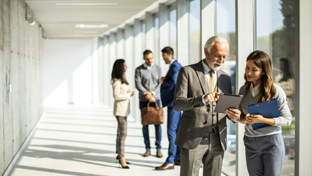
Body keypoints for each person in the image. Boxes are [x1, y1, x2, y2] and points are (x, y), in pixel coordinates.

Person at [173, 36, 235, 176]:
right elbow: (177, 104)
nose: (221, 60)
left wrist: (234, 115)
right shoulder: (187, 72)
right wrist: (202, 99)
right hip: (192, 137)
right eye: (217, 55)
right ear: (206, 52)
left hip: (218, 139)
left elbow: (228, 107)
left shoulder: (225, 77)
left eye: (224, 56)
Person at [226, 50, 292, 176]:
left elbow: (287, 119)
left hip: (271, 142)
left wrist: (263, 120)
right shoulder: (243, 90)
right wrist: (239, 117)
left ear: (263, 71)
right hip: (250, 142)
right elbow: (242, 119)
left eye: (254, 69)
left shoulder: (275, 90)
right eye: (247, 68)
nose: (249, 72)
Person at [155, 46, 182, 170]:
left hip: (173, 104)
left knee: (171, 131)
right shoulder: (176, 65)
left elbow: (174, 82)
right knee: (176, 131)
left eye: (163, 56)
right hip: (176, 103)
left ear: (166, 54)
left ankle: (171, 160)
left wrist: (163, 80)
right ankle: (177, 157)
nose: (163, 59)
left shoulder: (175, 66)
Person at [135, 49, 163, 158]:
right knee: (145, 124)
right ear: (144, 59)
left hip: (156, 99)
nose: (149, 60)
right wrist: (147, 94)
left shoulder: (158, 69)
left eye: (151, 58)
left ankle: (158, 149)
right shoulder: (139, 70)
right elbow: (138, 84)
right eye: (147, 59)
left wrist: (153, 94)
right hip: (144, 100)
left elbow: (160, 83)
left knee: (158, 124)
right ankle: (147, 148)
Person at [111, 59, 134, 169]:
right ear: (120, 67)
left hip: (123, 111)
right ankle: (121, 157)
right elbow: (116, 97)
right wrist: (128, 94)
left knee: (120, 133)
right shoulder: (116, 81)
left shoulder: (121, 79)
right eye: (125, 65)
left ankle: (120, 155)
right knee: (123, 134)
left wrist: (128, 94)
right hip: (120, 111)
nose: (126, 67)